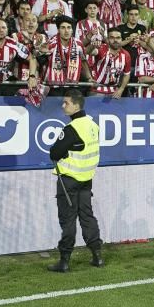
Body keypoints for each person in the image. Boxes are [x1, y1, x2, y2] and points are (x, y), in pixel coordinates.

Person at [47, 89, 104, 273]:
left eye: (66, 103)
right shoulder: (93, 125)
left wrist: (64, 152)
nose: (63, 106)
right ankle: (97, 256)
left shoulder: (72, 129)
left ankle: (64, 261)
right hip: (87, 180)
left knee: (68, 220)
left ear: (76, 105)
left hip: (69, 181)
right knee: (87, 217)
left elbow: (54, 153)